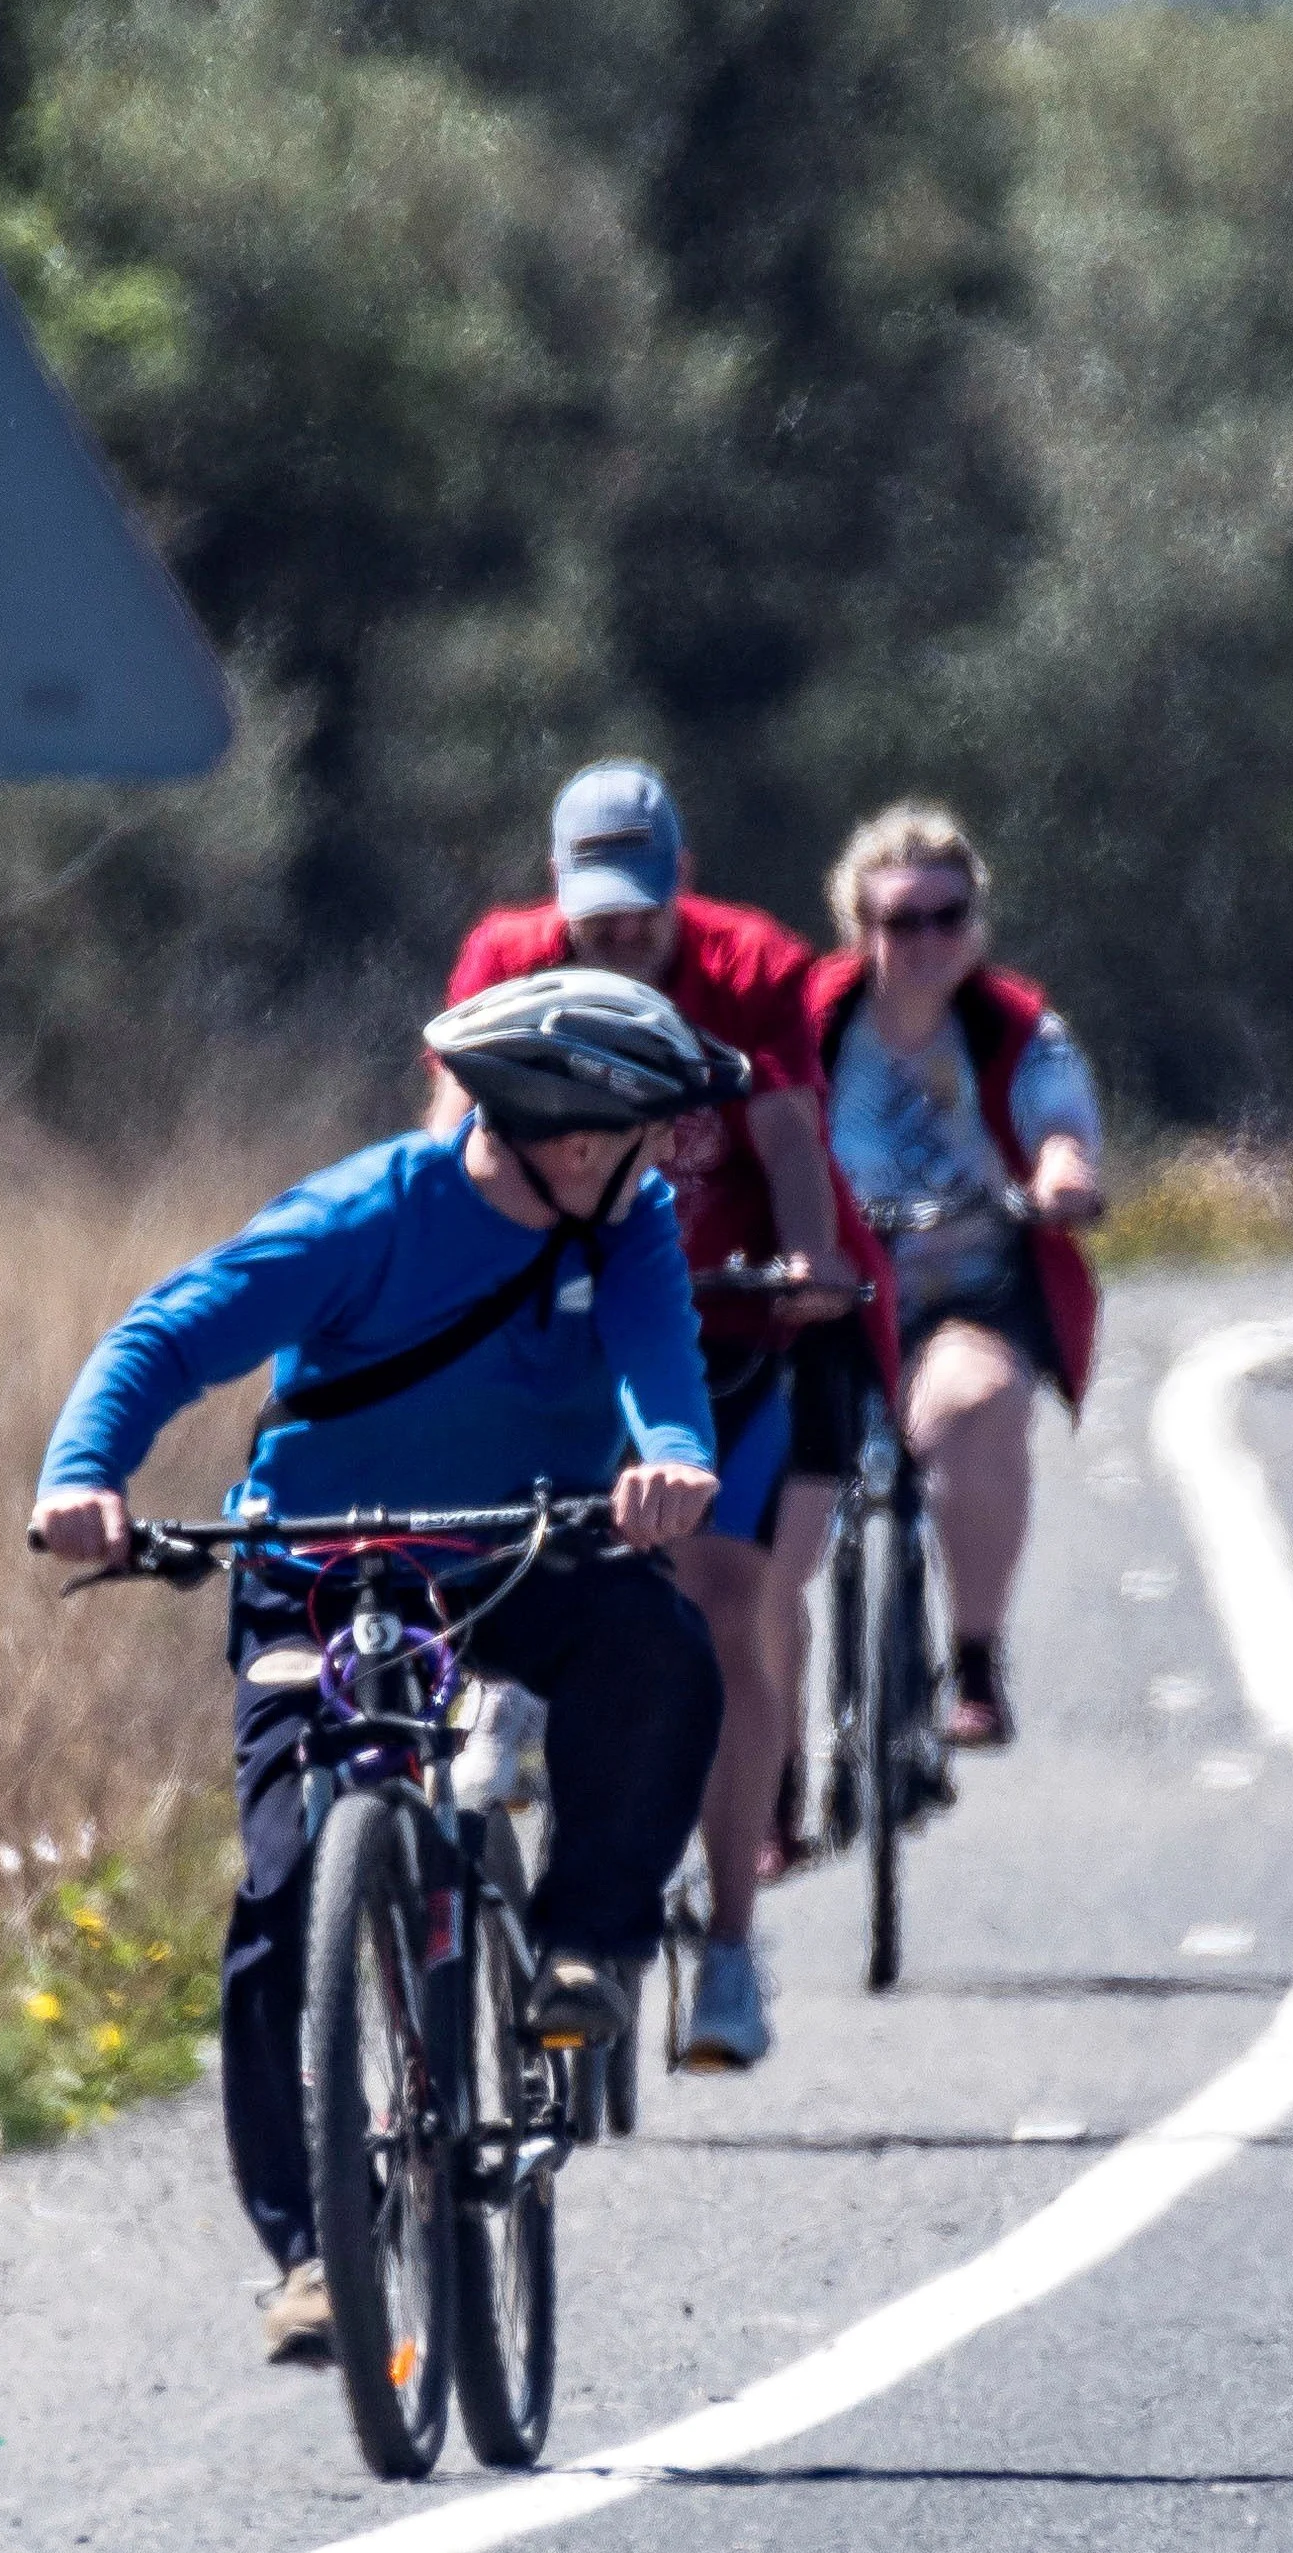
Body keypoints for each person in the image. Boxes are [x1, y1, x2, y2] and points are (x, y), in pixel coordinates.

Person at [33, 970, 743, 2367]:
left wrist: (670, 1458)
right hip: (319, 1570)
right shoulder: (367, 1215)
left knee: (655, 1646)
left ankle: (588, 1944)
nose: (651, 1155)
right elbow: (164, 1335)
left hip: (517, 1560)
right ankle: (311, 2248)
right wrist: (82, 1475)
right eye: (630, 1131)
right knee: (285, 1883)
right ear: (557, 1128)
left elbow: (659, 1367)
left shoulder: (631, 1222)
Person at [436, 760, 881, 2075]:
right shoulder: (505, 956)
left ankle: (731, 1940)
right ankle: (510, 1740)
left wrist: (803, 1268)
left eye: (639, 907)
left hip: (721, 1324)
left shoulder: (749, 965)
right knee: (499, 1548)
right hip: (554, 1326)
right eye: (595, 907)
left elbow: (791, 1137)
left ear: (675, 886)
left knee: (722, 1595)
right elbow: (451, 1123)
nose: (617, 932)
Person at [811, 804, 1105, 1748]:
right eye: (901, 920)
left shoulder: (1012, 1027)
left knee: (976, 1401)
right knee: (752, 1525)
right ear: (859, 931)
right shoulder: (811, 1022)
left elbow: (1059, 1123)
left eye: (949, 915)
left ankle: (974, 1657)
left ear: (976, 923)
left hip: (964, 1290)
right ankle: (769, 1785)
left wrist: (1062, 1175)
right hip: (829, 1291)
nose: (928, 939)